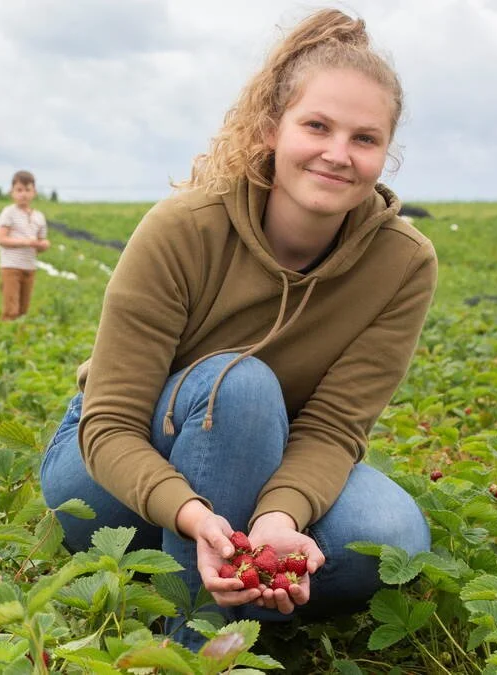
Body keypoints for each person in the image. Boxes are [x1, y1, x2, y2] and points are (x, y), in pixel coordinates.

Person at [39, 8, 437, 649]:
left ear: (386, 154)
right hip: (108, 475)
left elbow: (333, 428)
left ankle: (233, 579)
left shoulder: (402, 263)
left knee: (391, 537)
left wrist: (280, 520)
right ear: (271, 129)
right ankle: (197, 640)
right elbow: (109, 424)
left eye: (365, 139)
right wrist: (196, 518)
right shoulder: (185, 229)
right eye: (316, 126)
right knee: (245, 384)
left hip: (267, 464)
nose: (338, 154)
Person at [0, 170, 50, 321]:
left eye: (27, 190)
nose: (23, 194)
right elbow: (1, 239)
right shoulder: (9, 213)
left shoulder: (39, 216)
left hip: (29, 267)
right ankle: (6, 338)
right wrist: (26, 242)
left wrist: (43, 245)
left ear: (34, 192)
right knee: (11, 309)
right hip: (11, 266)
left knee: (23, 310)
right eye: (19, 190)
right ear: (12, 192)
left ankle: (20, 338)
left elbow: (41, 240)